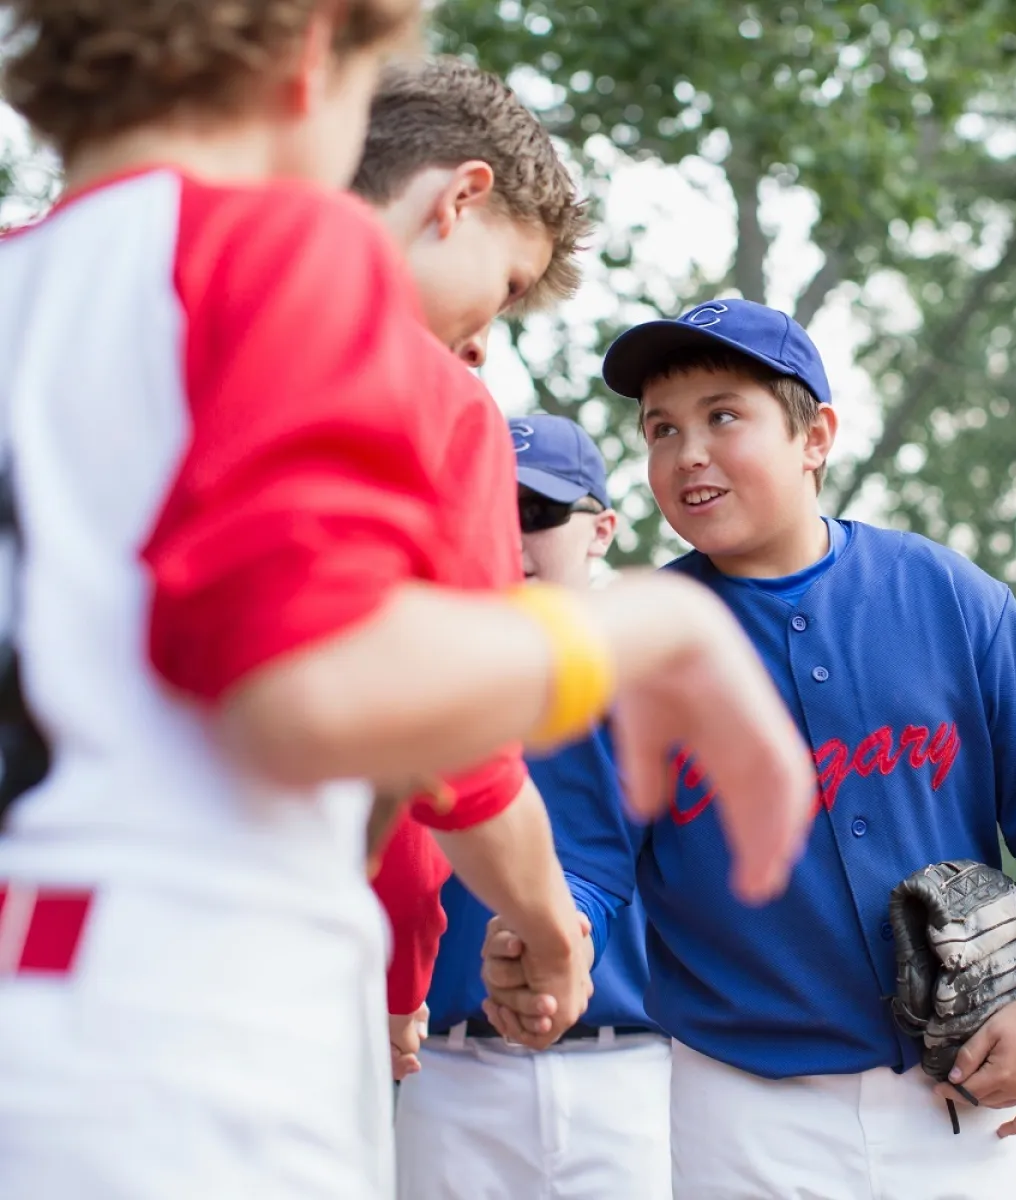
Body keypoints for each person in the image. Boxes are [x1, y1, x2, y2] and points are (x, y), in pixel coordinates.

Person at [0, 7, 818, 1196]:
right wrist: (648, 624)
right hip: (184, 1013)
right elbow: (311, 686)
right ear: (318, 49)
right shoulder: (282, 248)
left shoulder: (25, 278)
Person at [483, 298, 1016, 1200]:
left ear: (815, 436)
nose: (687, 452)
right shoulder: (626, 643)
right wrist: (550, 932)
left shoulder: (948, 596)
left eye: (724, 415)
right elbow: (587, 864)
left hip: (963, 1086)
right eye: (661, 429)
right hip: (742, 1107)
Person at [344, 53, 592, 1081]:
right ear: (460, 198)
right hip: (212, 966)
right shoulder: (425, 399)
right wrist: (549, 929)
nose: (487, 340)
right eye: (508, 286)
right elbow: (450, 741)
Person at [395, 414, 672, 1200]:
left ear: (601, 530)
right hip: (445, 1067)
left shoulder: (652, 674)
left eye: (540, 513)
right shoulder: (412, 674)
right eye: (489, 510)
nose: (512, 538)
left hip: (631, 1070)